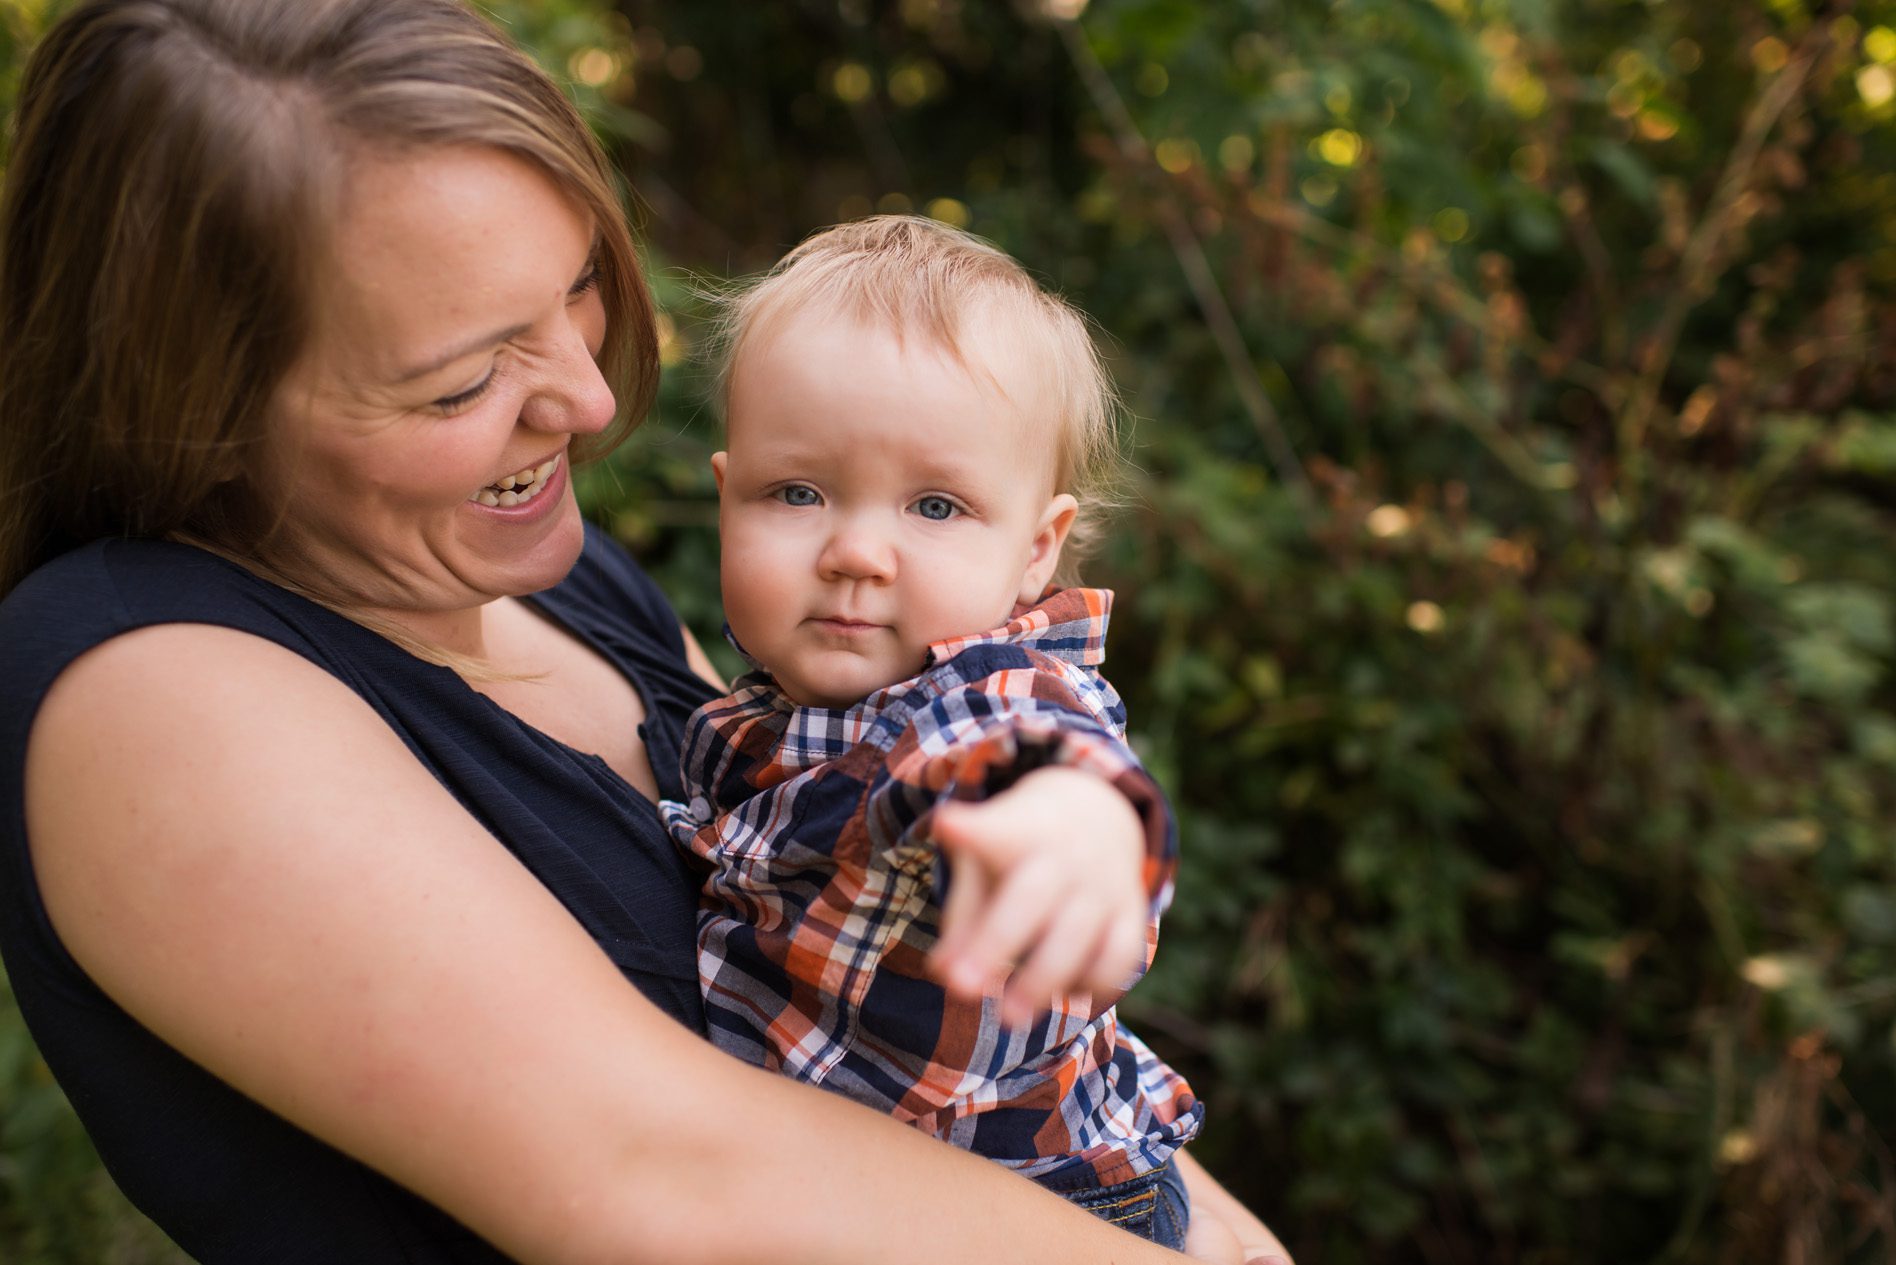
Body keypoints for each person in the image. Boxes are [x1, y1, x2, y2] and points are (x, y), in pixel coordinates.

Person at [0, 1, 1291, 1261]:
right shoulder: (148, 693)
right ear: (198, 402)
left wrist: (1202, 1217)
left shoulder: (553, 582)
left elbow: (938, 821)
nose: (590, 393)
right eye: (464, 378)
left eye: (577, 291)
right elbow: (664, 1181)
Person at [662, 216, 1206, 1248]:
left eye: (937, 506)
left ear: (1035, 548)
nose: (857, 550)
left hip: (1039, 1209)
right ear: (725, 497)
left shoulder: (980, 687)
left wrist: (1075, 820)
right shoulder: (762, 714)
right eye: (798, 491)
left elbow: (1025, 742)